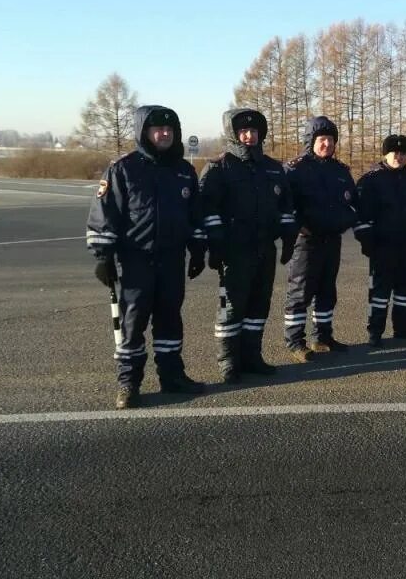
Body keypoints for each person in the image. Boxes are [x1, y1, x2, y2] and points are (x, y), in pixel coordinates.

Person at [86, 105, 206, 409]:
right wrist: (103, 256)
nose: (164, 133)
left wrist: (198, 250)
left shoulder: (184, 171)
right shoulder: (123, 169)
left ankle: (172, 376)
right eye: (157, 129)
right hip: (136, 262)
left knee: (170, 321)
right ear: (144, 132)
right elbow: (105, 214)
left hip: (172, 261)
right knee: (132, 324)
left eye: (169, 129)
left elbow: (195, 215)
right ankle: (129, 383)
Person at [199, 109, 297, 383]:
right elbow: (207, 209)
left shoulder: (273, 168)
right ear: (233, 133)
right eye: (243, 131)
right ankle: (229, 361)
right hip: (235, 251)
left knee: (258, 305)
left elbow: (286, 206)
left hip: (265, 248)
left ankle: (252, 356)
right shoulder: (219, 167)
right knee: (231, 307)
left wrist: (289, 237)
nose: (249, 136)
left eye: (254, 131)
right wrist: (215, 244)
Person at [282, 116, 359, 359]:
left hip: (331, 241)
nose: (327, 144)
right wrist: (301, 227)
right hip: (306, 242)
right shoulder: (295, 170)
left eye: (330, 140)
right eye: (322, 139)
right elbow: (285, 205)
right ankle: (295, 341)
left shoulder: (340, 171)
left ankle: (323, 337)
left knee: (327, 290)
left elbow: (354, 204)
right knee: (300, 292)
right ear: (311, 140)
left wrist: (344, 222)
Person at [354, 134, 406, 346]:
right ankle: (375, 331)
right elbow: (361, 214)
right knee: (380, 290)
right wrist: (366, 240)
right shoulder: (371, 180)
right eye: (394, 153)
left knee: (404, 288)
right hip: (382, 245)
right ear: (386, 154)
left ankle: (402, 327)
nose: (398, 157)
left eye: (403, 153)